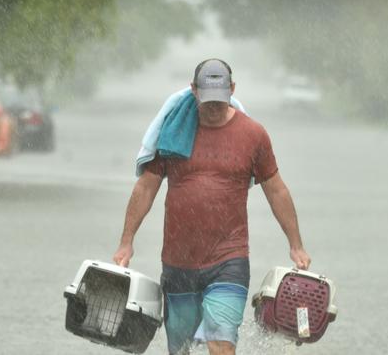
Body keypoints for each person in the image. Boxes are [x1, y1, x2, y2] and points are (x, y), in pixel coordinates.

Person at [113, 59, 311, 355]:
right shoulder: (173, 132)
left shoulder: (253, 135)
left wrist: (295, 244)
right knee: (180, 350)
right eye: (208, 101)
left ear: (232, 89)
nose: (214, 108)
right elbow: (146, 187)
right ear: (194, 91)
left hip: (228, 259)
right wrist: (126, 242)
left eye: (221, 100)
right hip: (178, 261)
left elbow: (276, 189)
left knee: (221, 344)